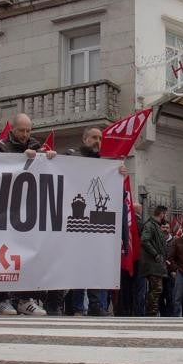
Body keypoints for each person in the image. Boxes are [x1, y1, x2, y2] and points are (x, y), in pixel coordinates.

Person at [0, 113, 56, 316]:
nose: (25, 134)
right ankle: (1, 300)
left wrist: (49, 157)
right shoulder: (0, 147)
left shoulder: (37, 148)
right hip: (4, 209)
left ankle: (24, 299)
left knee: (28, 254)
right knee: (2, 255)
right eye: (21, 130)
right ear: (12, 130)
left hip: (28, 211)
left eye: (28, 130)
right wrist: (20, 158)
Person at [64, 126, 126, 316]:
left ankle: (95, 304)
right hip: (75, 221)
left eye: (100, 138)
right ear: (84, 139)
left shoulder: (105, 166)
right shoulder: (71, 157)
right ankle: (76, 307)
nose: (97, 141)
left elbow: (115, 196)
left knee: (95, 263)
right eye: (93, 137)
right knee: (78, 265)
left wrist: (119, 177)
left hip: (94, 223)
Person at [139, 205, 168, 317]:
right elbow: (145, 240)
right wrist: (156, 255)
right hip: (153, 265)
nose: (165, 217)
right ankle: (151, 314)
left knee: (156, 290)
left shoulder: (156, 226)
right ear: (161, 214)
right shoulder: (150, 225)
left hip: (156, 264)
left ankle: (152, 313)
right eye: (165, 214)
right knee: (156, 290)